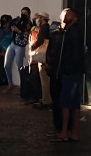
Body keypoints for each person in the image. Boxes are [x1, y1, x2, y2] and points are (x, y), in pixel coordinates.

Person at [51, 8, 86, 142]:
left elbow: (72, 55)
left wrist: (65, 69)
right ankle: (73, 132)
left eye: (66, 14)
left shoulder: (72, 33)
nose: (63, 16)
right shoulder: (71, 32)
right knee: (73, 104)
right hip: (73, 72)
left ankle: (65, 132)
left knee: (66, 103)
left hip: (70, 72)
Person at [3, 6, 31, 94]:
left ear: (28, 14)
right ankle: (10, 84)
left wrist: (19, 31)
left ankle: (22, 86)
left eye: (25, 13)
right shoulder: (18, 20)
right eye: (22, 12)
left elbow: (26, 34)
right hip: (13, 43)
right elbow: (9, 26)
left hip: (20, 45)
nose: (23, 14)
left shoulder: (28, 23)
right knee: (6, 65)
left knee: (20, 67)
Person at [30, 11, 52, 109]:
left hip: (43, 56)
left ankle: (46, 101)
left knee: (44, 80)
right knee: (45, 80)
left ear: (42, 18)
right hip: (45, 56)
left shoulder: (44, 28)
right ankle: (46, 99)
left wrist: (33, 47)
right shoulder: (46, 27)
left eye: (39, 17)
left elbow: (40, 40)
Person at [0, 14, 13, 85]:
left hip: (3, 50)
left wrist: (4, 50)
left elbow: (7, 41)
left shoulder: (8, 31)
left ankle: (3, 80)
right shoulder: (1, 29)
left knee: (2, 65)